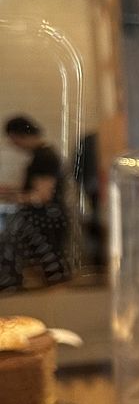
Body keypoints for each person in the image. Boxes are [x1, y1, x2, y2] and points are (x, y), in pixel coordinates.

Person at [0, 115, 72, 291]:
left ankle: (59, 303)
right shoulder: (42, 154)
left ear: (17, 136)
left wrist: (13, 198)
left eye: (13, 140)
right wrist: (10, 192)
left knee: (52, 269)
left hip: (44, 219)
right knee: (49, 268)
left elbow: (42, 195)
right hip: (46, 217)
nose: (13, 145)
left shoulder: (44, 157)